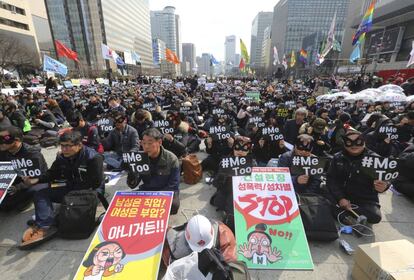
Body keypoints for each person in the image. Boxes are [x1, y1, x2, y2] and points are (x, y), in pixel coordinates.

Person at [21, 130, 105, 248]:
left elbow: (96, 183)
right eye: (62, 146)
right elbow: (52, 174)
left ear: (79, 145)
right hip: (70, 188)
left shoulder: (93, 157)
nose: (64, 149)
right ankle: (45, 225)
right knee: (40, 193)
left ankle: (50, 221)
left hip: (89, 191)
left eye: (68, 146)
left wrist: (71, 197)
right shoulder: (62, 157)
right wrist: (36, 180)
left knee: (70, 209)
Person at [327, 129, 389, 224]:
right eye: (349, 142)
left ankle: (341, 212)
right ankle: (344, 214)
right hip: (341, 194)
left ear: (364, 142)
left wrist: (384, 186)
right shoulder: (337, 157)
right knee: (323, 197)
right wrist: (340, 198)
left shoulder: (376, 159)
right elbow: (331, 179)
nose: (354, 145)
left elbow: (386, 178)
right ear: (344, 143)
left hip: (364, 199)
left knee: (375, 216)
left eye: (358, 142)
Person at [127, 128, 180, 214]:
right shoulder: (139, 158)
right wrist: (131, 175)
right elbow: (133, 185)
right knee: (126, 200)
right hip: (147, 191)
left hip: (165, 192)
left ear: (159, 142)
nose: (146, 146)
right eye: (143, 143)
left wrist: (153, 197)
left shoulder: (171, 159)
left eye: (150, 143)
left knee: (174, 205)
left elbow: (173, 187)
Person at [0, 126, 48, 211]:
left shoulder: (32, 154)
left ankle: (27, 200)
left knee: (8, 205)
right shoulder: (3, 152)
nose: (1, 142)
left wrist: (17, 187)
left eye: (4, 139)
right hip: (14, 180)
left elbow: (35, 179)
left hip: (32, 182)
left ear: (17, 140)